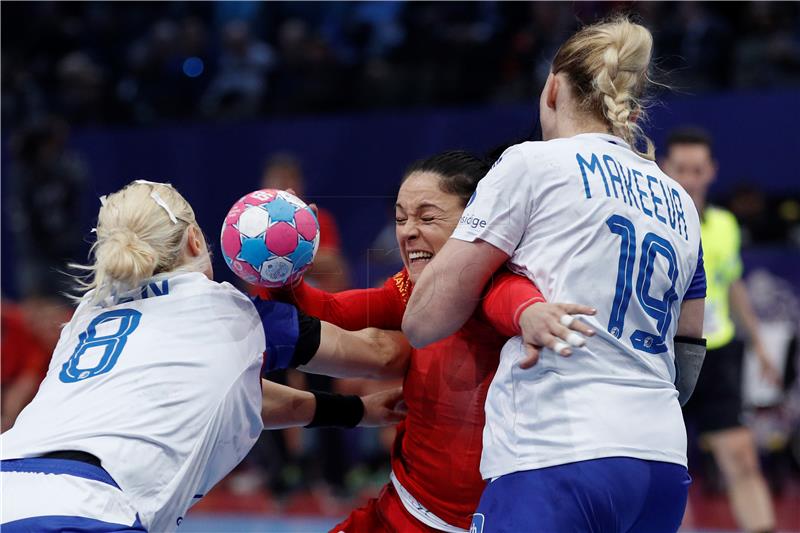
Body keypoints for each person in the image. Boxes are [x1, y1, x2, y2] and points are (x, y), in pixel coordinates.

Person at [403, 17, 707, 533]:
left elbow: (424, 319)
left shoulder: (531, 164)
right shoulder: (678, 198)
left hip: (555, 454)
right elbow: (690, 348)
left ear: (552, 89)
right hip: (660, 464)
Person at [0, 180, 410, 533]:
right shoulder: (230, 313)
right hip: (89, 510)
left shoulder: (88, 315)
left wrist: (356, 410)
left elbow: (237, 397)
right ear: (195, 239)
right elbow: (382, 356)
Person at [263, 151, 592, 533]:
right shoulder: (410, 291)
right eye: (401, 218)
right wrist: (281, 265)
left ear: (478, 220)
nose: (406, 231)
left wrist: (530, 313)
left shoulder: (499, 283)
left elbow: (508, 298)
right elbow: (329, 309)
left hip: (480, 523)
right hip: (400, 508)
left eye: (427, 217)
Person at [663, 127, 777, 533]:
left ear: (711, 171)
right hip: (665, 359)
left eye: (698, 169)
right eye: (682, 169)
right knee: (667, 470)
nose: (690, 178)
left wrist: (761, 344)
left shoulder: (726, 225)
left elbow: (733, 286)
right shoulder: (651, 223)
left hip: (719, 354)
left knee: (742, 456)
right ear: (665, 168)